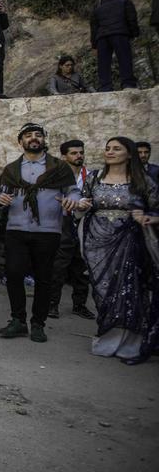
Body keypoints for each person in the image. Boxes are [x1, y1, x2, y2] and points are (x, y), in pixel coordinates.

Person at [76, 137, 159, 365]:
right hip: (97, 242)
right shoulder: (95, 178)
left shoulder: (142, 181)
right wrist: (82, 204)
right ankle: (107, 339)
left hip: (131, 242)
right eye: (107, 148)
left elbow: (155, 208)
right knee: (103, 292)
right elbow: (85, 200)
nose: (110, 152)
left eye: (116, 149)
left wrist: (148, 218)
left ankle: (131, 344)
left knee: (130, 291)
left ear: (129, 154)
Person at [0, 123, 80, 343]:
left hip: (48, 231)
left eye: (38, 135)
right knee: (14, 274)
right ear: (20, 141)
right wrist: (0, 199)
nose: (34, 138)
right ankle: (18, 320)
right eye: (28, 135)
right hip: (16, 229)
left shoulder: (59, 167)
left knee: (44, 277)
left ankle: (38, 324)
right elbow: (1, 194)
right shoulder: (11, 169)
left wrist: (74, 201)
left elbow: (73, 191)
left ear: (43, 140)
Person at [49, 140, 95, 320]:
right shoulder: (55, 176)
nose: (79, 156)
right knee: (59, 264)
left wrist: (84, 204)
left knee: (81, 264)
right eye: (74, 153)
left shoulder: (90, 176)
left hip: (84, 222)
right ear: (64, 156)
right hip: (63, 221)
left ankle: (80, 304)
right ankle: (53, 304)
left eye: (81, 152)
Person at [91, 0, 140, 91]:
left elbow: (94, 29)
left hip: (102, 37)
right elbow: (131, 19)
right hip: (120, 34)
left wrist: (94, 45)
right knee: (124, 59)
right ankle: (128, 84)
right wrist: (134, 34)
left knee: (103, 64)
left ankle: (105, 87)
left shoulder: (97, 9)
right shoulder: (125, 2)